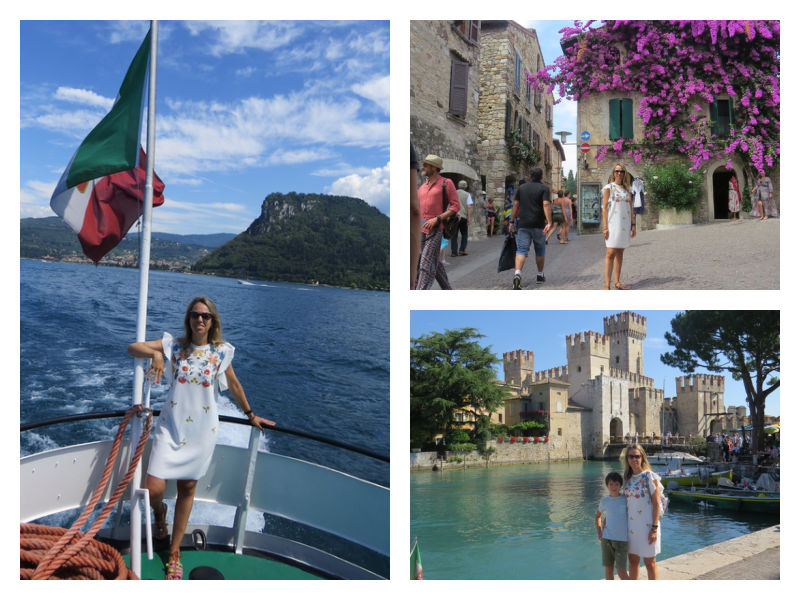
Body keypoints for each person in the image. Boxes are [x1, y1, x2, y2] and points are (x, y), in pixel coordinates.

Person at [128, 296, 275, 579]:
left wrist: (250, 414)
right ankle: (160, 515)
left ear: (212, 321)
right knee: (154, 488)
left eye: (205, 316)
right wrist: (156, 355)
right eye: (195, 314)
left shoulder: (220, 352)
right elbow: (133, 347)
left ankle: (174, 553)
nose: (200, 319)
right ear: (189, 318)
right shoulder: (175, 346)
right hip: (171, 428)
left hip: (201, 432)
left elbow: (232, 383)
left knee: (188, 489)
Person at [416, 154, 459, 289]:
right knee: (435, 263)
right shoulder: (422, 187)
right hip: (420, 231)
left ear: (434, 168)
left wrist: (438, 218)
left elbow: (455, 206)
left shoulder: (446, 183)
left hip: (435, 230)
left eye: (426, 165)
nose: (422, 167)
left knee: (425, 265)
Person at [621, 444, 663, 580]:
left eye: (637, 456)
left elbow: (656, 503)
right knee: (633, 561)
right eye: (631, 456)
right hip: (631, 527)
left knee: (650, 563)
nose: (634, 459)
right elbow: (623, 504)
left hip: (648, 526)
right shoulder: (626, 479)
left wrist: (654, 528)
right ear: (627, 459)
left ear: (642, 458)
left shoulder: (649, 476)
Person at [510, 167, 552, 289]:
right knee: (540, 250)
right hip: (539, 225)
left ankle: (517, 274)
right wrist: (549, 222)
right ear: (541, 177)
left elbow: (516, 204)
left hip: (523, 224)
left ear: (530, 175)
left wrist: (511, 221)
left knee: (522, 250)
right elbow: (546, 204)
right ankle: (540, 275)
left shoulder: (521, 188)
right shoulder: (544, 188)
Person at [602, 164, 636, 290]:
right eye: (617, 171)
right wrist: (605, 227)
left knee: (620, 252)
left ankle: (617, 281)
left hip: (625, 224)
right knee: (610, 252)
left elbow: (631, 208)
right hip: (612, 224)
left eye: (622, 171)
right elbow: (604, 208)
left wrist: (633, 224)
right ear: (613, 173)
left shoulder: (628, 189)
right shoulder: (608, 188)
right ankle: (607, 284)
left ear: (624, 173)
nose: (619, 173)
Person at [595, 472, 630, 580]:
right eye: (611, 484)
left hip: (622, 541)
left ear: (620, 486)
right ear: (607, 485)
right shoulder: (604, 501)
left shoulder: (626, 499)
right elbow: (597, 516)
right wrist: (599, 532)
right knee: (609, 570)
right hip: (607, 540)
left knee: (621, 572)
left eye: (616, 484)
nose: (614, 487)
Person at [450, 180, 472, 257]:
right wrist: (469, 218)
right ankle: (462, 250)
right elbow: (469, 207)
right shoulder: (467, 194)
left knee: (454, 235)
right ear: (465, 187)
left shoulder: (453, 193)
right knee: (464, 234)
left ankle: (454, 252)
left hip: (454, 216)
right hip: (463, 217)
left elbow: (450, 204)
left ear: (458, 185)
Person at [411, 142, 421, 289]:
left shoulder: (447, 184)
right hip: (424, 227)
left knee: (428, 260)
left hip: (435, 225)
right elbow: (414, 208)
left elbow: (414, 208)